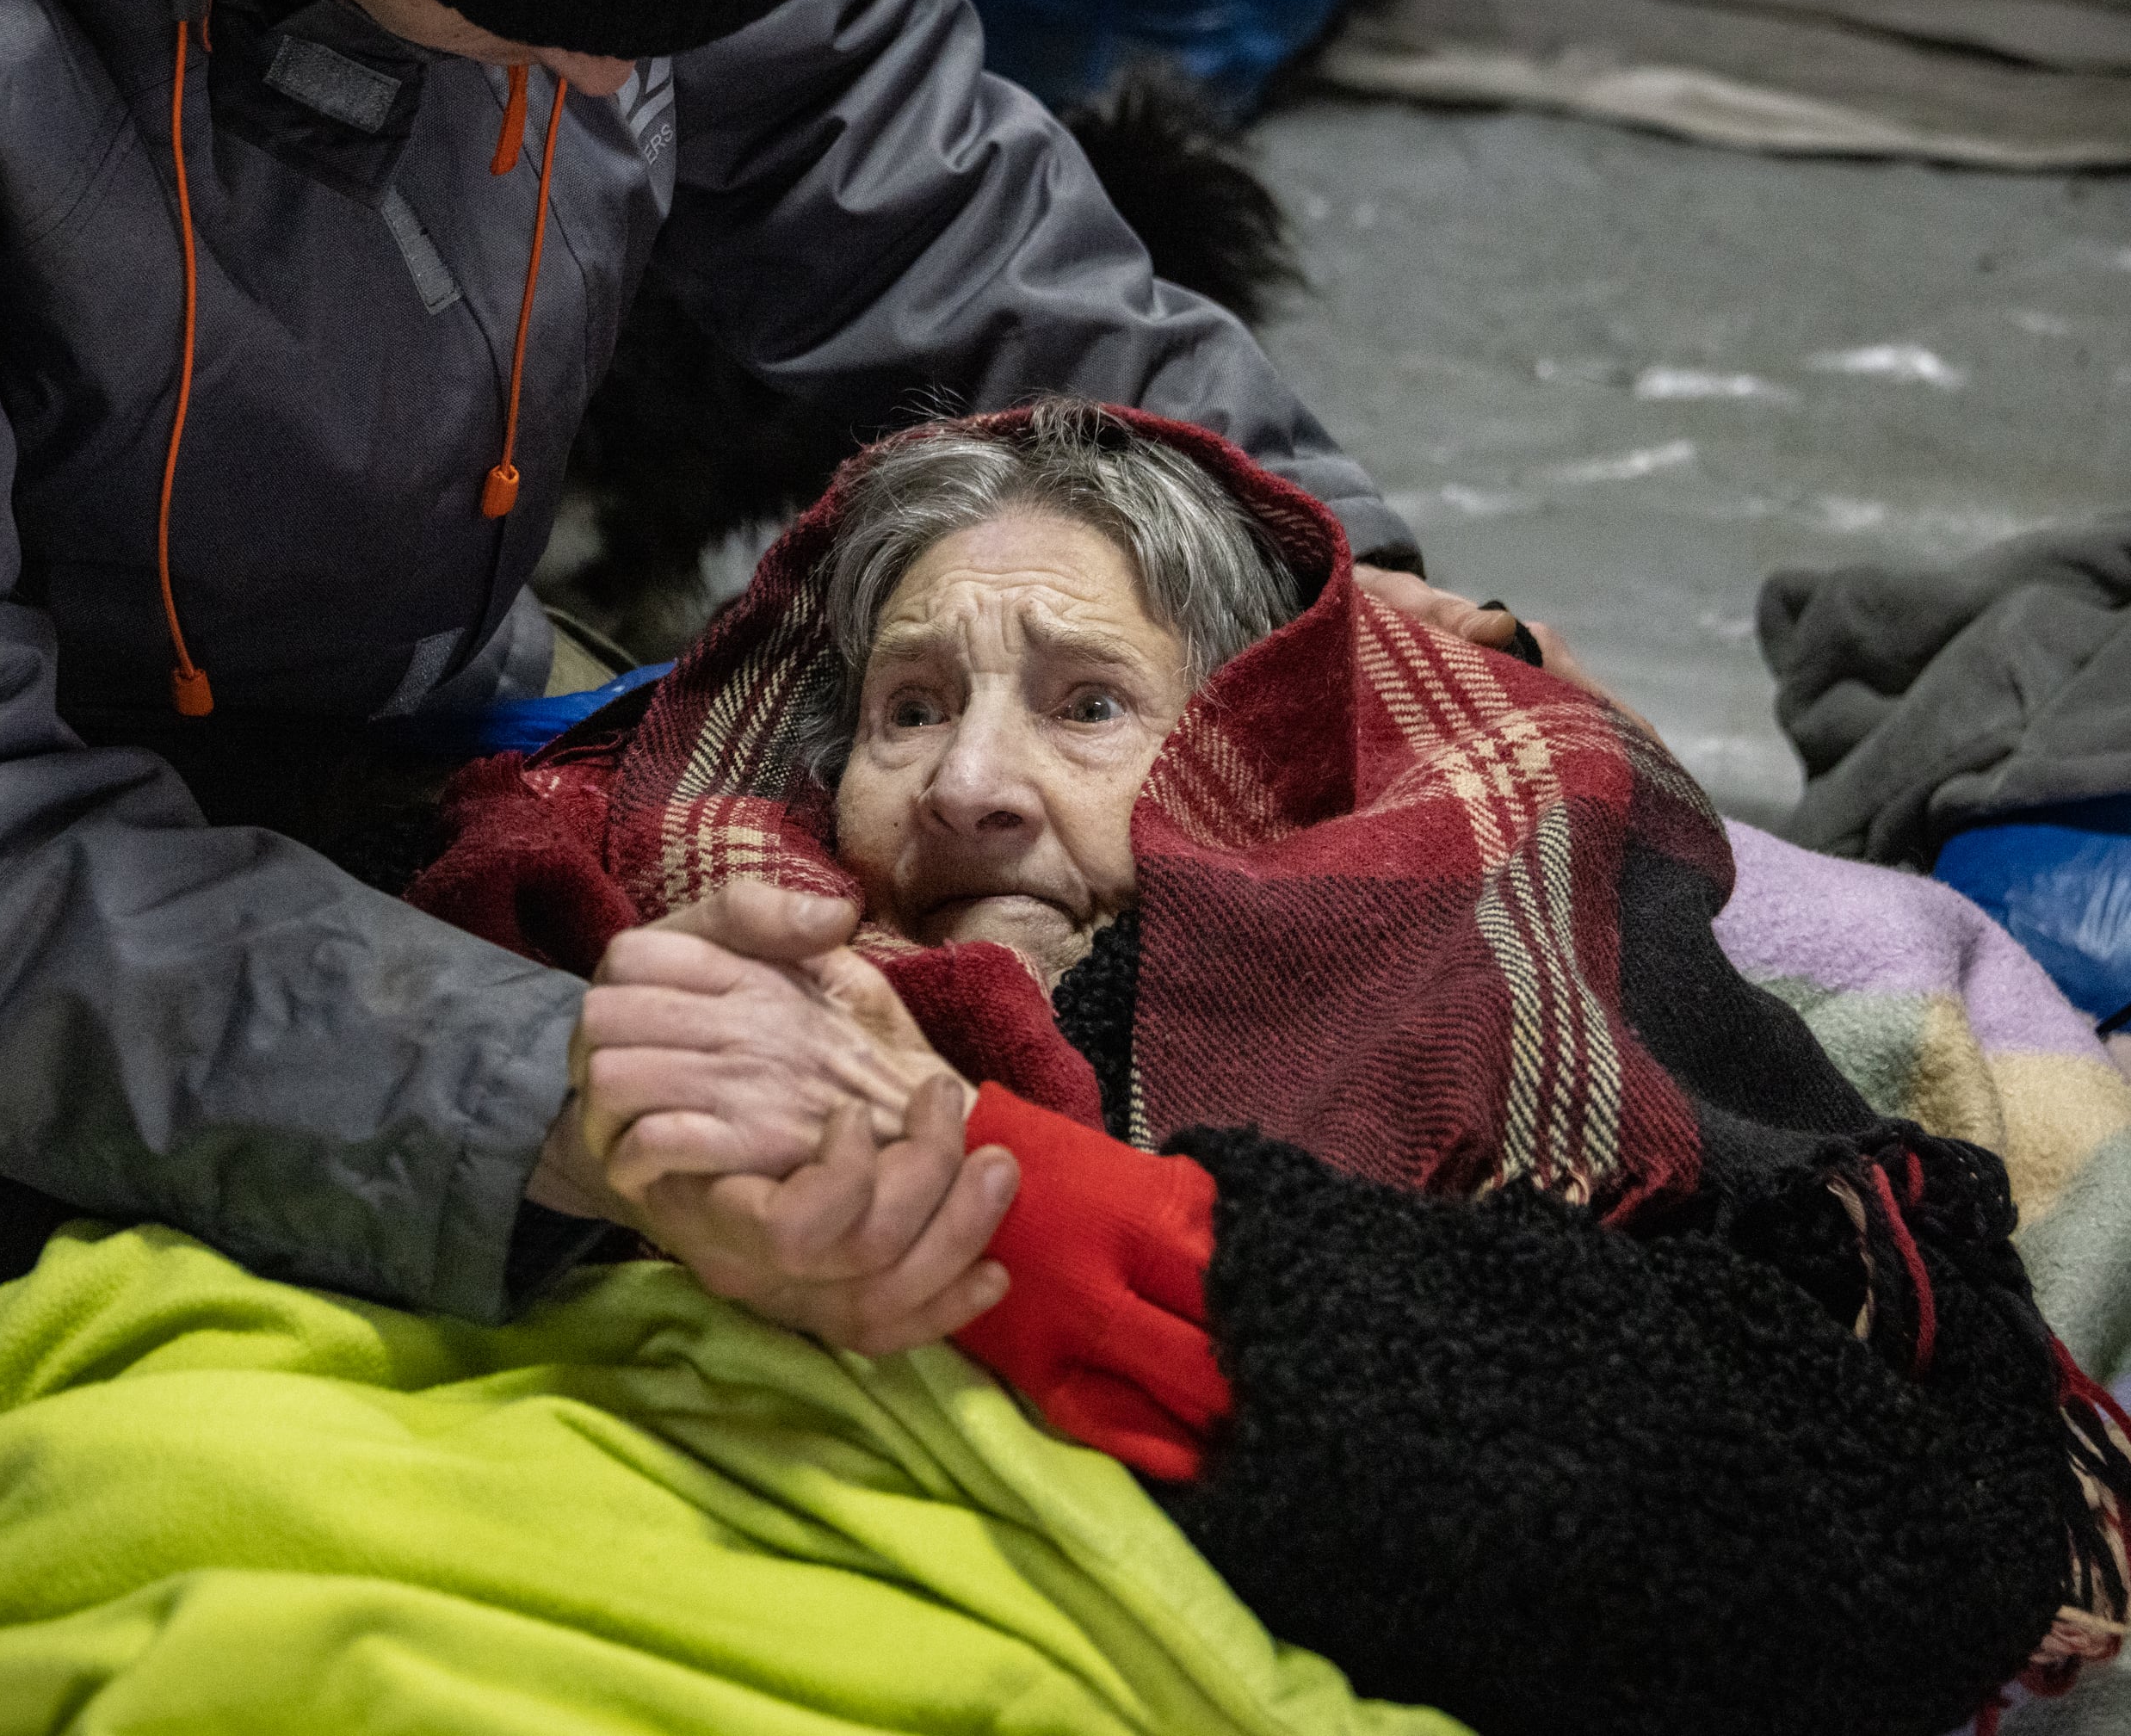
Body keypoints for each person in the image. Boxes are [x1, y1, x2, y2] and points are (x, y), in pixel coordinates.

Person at [0, 0, 1578, 1395]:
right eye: (529, 26)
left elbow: (883, 160)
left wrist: (1314, 577)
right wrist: (523, 1086)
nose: (620, 81)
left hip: (344, 700)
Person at [411, 399, 2131, 1736]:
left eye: (1089, 703)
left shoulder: (1481, 974)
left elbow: (1882, 1533)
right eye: (910, 706)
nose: (967, 784)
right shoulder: (640, 958)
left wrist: (1004, 1198)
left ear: (1253, 751)